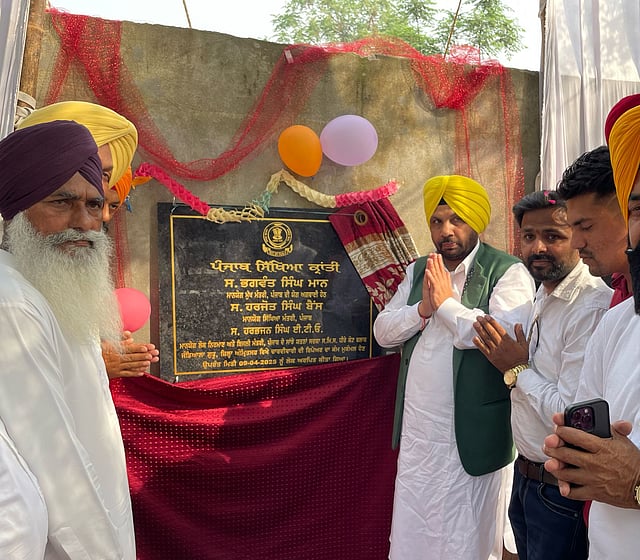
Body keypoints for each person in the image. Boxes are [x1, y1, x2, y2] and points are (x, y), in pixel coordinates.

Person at [373, 175, 535, 559]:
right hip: (420, 434)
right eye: (437, 221)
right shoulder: (419, 271)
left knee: (468, 531)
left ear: (475, 221)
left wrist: (446, 305)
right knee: (416, 526)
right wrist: (422, 309)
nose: (446, 230)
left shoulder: (507, 270)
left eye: (456, 219)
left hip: (474, 433)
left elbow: (496, 335)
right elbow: (383, 331)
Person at [0, 120, 136, 558]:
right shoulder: (12, 302)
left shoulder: (52, 284)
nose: (83, 223)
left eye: (94, 205)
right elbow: (56, 466)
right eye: (61, 202)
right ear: (15, 210)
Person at [472, 190, 612, 560]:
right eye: (529, 236)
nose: (538, 248)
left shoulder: (589, 306)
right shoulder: (545, 292)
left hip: (561, 488)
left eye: (553, 236)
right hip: (528, 476)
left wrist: (517, 370)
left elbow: (572, 414)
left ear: (576, 237)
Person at [543, 93, 640, 558]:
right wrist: (577, 459)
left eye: (584, 226)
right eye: (639, 209)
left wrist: (636, 484)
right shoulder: (618, 322)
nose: (574, 242)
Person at [18, 101, 159, 378]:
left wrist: (95, 357)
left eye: (104, 174)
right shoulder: (12, 299)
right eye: (84, 166)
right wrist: (94, 366)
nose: (96, 190)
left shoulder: (67, 265)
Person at [556, 145, 632, 305]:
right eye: (572, 228)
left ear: (632, 214)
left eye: (586, 227)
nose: (575, 243)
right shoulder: (620, 288)